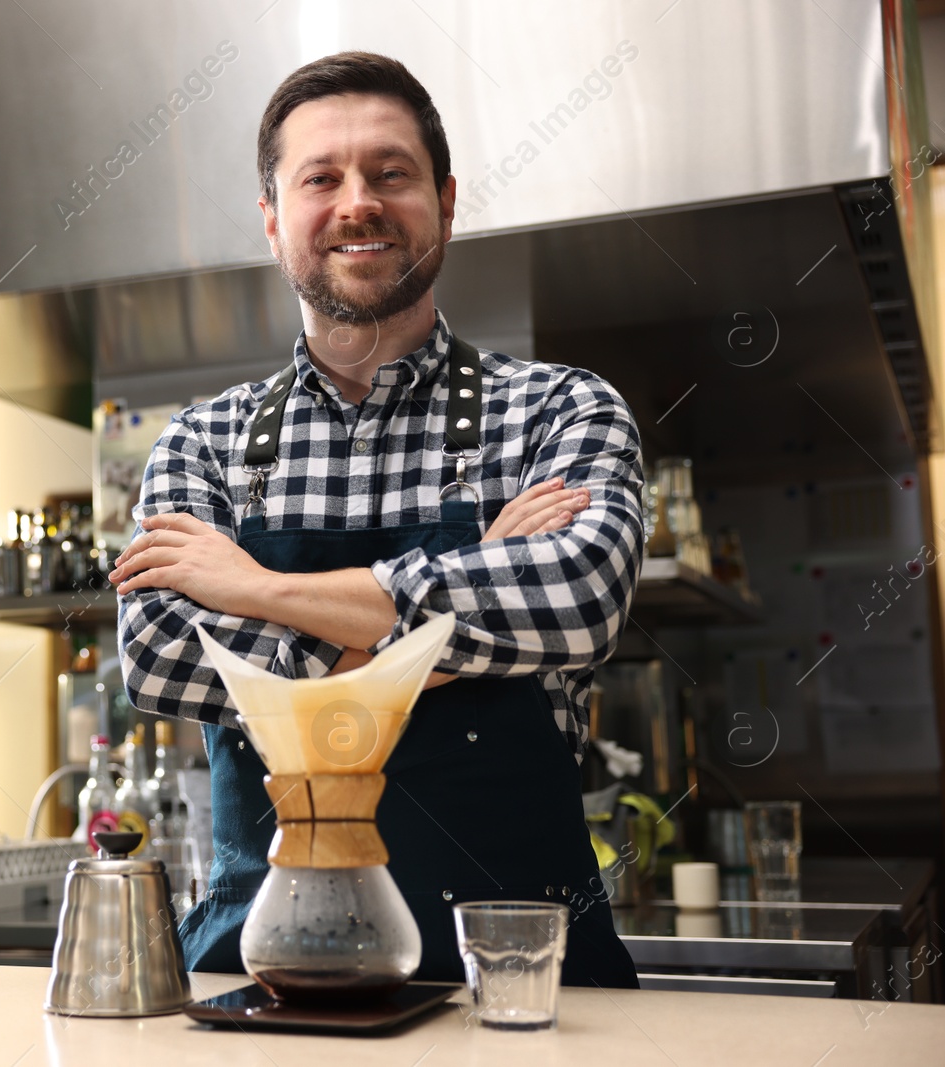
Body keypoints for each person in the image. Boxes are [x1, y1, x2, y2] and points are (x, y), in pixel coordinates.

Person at [111, 51, 643, 987]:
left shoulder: (565, 411)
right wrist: (470, 583)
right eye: (321, 178)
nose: (358, 201)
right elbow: (158, 659)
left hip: (521, 986)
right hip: (257, 986)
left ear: (443, 199)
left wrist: (259, 589)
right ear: (274, 220)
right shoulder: (201, 445)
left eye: (390, 173)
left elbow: (577, 599)